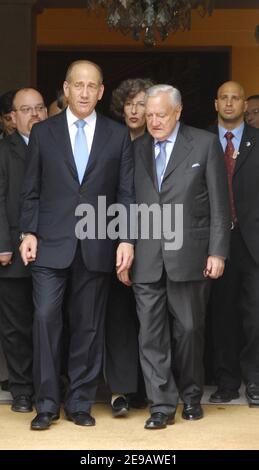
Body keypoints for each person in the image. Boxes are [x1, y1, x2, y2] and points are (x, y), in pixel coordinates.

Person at [19, 60, 135, 430]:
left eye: (92, 86)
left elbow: (126, 194)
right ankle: (48, 403)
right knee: (45, 319)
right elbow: (31, 190)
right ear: (66, 89)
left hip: (97, 243)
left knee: (88, 326)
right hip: (50, 243)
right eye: (78, 85)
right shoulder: (43, 132)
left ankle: (80, 401)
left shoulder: (117, 136)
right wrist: (28, 232)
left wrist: (126, 238)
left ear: (101, 92)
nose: (84, 93)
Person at [130, 84, 230, 429]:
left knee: (188, 330)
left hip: (190, 255)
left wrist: (217, 250)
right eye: (149, 115)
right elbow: (128, 203)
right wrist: (125, 243)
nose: (154, 122)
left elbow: (220, 203)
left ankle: (190, 395)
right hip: (146, 257)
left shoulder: (204, 143)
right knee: (150, 334)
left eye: (161, 115)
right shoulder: (137, 148)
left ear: (178, 112)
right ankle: (161, 404)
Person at [208, 81, 259, 406]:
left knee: (255, 315)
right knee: (220, 313)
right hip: (215, 241)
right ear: (216, 103)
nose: (229, 103)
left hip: (253, 241)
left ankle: (254, 380)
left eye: (235, 98)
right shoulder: (198, 141)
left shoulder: (258, 140)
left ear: (244, 104)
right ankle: (225, 381)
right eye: (224, 97)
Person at [106, 78, 153, 417]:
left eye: (142, 104)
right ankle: (120, 391)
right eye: (129, 104)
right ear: (120, 108)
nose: (135, 111)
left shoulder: (162, 143)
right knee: (118, 318)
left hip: (153, 241)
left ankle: (149, 387)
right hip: (111, 236)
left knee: (151, 320)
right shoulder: (108, 139)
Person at [0, 88, 47, 412]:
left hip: (55, 251)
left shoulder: (60, 146)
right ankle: (21, 390)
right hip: (13, 251)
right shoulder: (4, 151)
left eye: (39, 108)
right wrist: (3, 244)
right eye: (26, 109)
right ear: (13, 118)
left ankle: (49, 386)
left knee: (50, 321)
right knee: (16, 325)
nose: (34, 114)